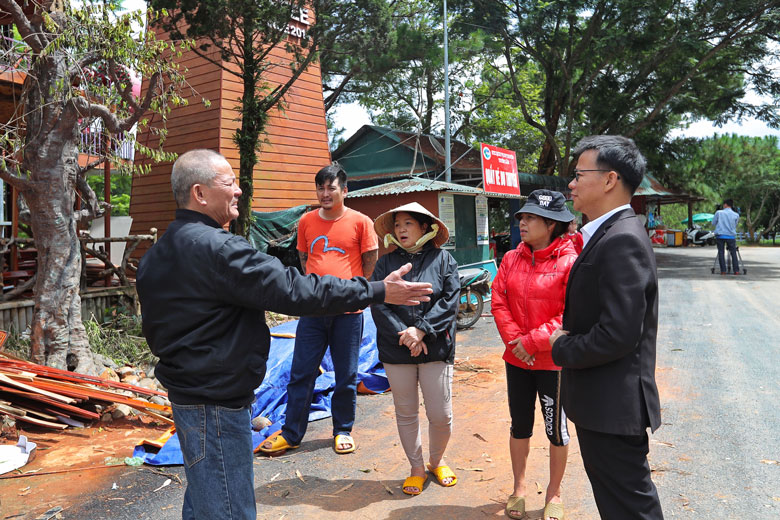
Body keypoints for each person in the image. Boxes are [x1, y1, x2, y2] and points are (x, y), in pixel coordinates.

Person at [136, 149, 433, 520]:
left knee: (205, 497)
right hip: (216, 402)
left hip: (187, 396)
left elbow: (154, 329)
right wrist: (377, 291)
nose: (239, 191)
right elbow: (295, 289)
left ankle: (342, 425)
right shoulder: (220, 249)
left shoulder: (157, 253)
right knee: (229, 508)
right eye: (229, 183)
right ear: (199, 193)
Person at [549, 135, 664, 519]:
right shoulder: (608, 233)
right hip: (603, 405)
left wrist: (561, 346)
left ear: (610, 179)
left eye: (579, 174)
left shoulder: (621, 240)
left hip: (613, 406)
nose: (571, 183)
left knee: (631, 507)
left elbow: (619, 333)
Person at [257, 163, 377, 456]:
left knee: (346, 374)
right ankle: (291, 433)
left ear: (344, 190)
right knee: (301, 372)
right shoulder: (307, 221)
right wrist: (314, 291)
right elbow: (302, 255)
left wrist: (357, 290)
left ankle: (343, 430)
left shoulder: (361, 221)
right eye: (320, 188)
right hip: (312, 311)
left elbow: (370, 256)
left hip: (348, 312)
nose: (325, 193)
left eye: (331, 188)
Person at [491, 190, 578, 520]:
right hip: (517, 360)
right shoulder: (512, 258)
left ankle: (554, 493)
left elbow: (570, 314)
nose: (522, 222)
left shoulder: (570, 262)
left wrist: (533, 342)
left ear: (552, 224)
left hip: (552, 363)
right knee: (520, 426)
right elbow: (498, 299)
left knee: (556, 430)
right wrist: (517, 342)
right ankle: (520, 488)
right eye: (522, 217)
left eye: (529, 217)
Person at [369, 202, 460, 496]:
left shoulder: (445, 260)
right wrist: (405, 334)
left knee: (440, 414)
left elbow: (450, 301)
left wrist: (421, 330)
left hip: (436, 347)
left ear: (425, 227)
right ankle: (416, 468)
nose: (401, 229)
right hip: (397, 350)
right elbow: (378, 303)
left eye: (408, 223)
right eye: (397, 225)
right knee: (406, 412)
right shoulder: (384, 264)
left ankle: (437, 460)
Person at [712, 199, 740, 275]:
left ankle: (723, 270)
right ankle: (736, 270)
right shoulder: (736, 215)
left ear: (725, 205)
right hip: (731, 236)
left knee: (721, 252)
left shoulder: (718, 213)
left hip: (720, 235)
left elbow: (713, 223)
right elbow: (735, 224)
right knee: (733, 253)